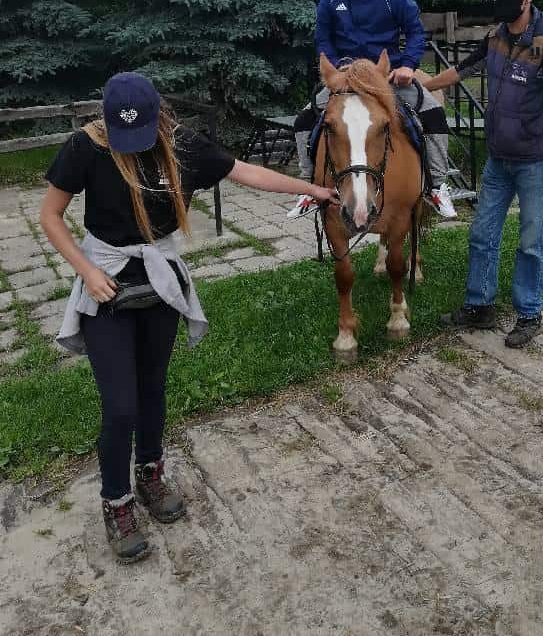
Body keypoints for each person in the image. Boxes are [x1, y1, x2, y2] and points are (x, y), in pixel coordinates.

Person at [39, 72, 337, 564]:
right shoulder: (85, 147)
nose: (133, 146)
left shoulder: (181, 147)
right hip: (106, 280)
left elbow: (246, 172)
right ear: (108, 122)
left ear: (160, 117)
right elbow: (50, 215)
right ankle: (116, 502)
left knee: (153, 389)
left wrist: (312, 190)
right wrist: (86, 270)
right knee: (120, 406)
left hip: (158, 281)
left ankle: (150, 474)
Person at [422, 0, 543, 348]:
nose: (503, 5)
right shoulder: (495, 37)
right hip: (498, 158)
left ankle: (529, 313)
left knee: (531, 241)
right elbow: (459, 72)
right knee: (482, 234)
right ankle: (480, 305)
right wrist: (417, 84)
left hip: (534, 160)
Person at [287, 0, 457, 220]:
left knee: (433, 114)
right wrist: (335, 66)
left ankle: (436, 185)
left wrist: (408, 65)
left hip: (386, 78)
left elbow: (415, 32)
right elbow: (323, 39)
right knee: (305, 118)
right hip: (345, 79)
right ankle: (310, 186)